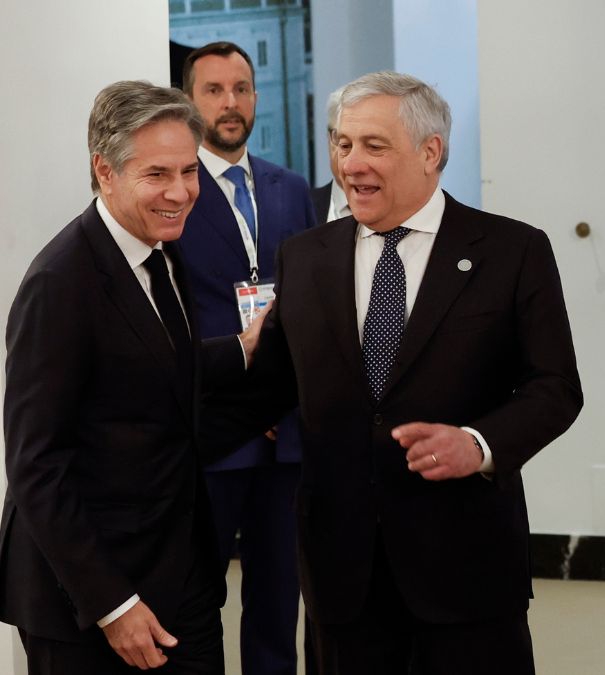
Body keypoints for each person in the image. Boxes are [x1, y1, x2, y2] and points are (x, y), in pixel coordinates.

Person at [204, 71, 583, 674]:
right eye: (342, 143)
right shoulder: (305, 257)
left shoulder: (513, 251)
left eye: (373, 146)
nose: (350, 163)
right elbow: (266, 390)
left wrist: (478, 444)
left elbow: (555, 387)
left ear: (431, 152)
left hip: (467, 571)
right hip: (341, 576)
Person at [0, 81, 250, 673]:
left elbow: (151, 364)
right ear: (104, 171)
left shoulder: (159, 248)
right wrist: (113, 604)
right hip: (90, 598)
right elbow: (36, 466)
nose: (181, 193)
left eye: (189, 172)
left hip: (178, 569)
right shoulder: (59, 283)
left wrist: (242, 349)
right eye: (157, 174)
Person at [175, 40, 316, 675]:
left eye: (242, 88)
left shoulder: (292, 190)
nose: (231, 103)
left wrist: (282, 398)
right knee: (196, 599)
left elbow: (311, 307)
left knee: (278, 602)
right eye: (214, 90)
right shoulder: (173, 192)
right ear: (190, 100)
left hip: (285, 436)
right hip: (212, 432)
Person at [311, 87, 351, 223]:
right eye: (345, 143)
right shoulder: (298, 209)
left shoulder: (407, 212)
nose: (355, 159)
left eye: (372, 145)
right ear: (329, 139)